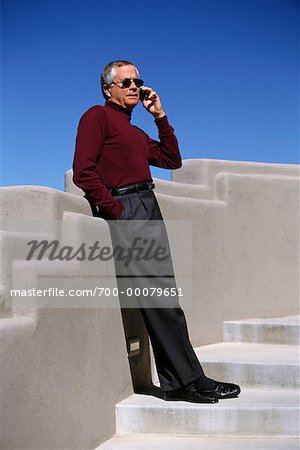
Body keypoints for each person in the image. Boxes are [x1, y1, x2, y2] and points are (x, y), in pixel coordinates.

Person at [72, 60, 241, 403]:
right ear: (108, 90)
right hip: (128, 209)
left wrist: (160, 116)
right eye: (126, 82)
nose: (135, 86)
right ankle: (188, 381)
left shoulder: (135, 132)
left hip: (148, 206)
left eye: (138, 81)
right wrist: (117, 211)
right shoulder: (96, 116)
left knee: (165, 299)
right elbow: (83, 172)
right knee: (160, 299)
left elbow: (171, 159)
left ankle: (185, 380)